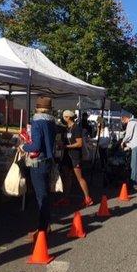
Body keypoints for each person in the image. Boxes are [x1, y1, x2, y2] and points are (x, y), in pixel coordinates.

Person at [20, 96, 56, 234]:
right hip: (48, 161)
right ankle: (46, 224)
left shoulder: (36, 122)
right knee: (46, 194)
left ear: (37, 108)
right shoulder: (52, 123)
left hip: (38, 161)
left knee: (41, 196)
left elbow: (36, 145)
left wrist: (23, 147)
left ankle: (42, 229)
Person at [61, 110, 93, 207]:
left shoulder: (76, 128)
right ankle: (66, 198)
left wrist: (66, 147)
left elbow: (79, 143)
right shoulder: (67, 128)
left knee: (79, 177)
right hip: (67, 156)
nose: (63, 119)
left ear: (68, 117)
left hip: (75, 156)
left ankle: (88, 198)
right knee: (67, 176)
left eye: (64, 117)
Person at [121, 114, 137, 192]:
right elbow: (134, 136)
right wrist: (128, 145)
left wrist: (123, 142)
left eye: (123, 121)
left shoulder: (131, 123)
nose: (124, 123)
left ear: (126, 119)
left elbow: (128, 135)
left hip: (136, 146)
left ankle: (134, 184)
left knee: (133, 165)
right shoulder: (136, 123)